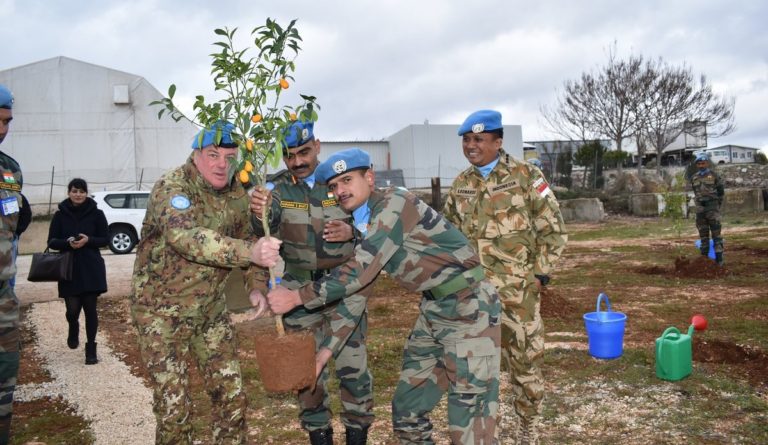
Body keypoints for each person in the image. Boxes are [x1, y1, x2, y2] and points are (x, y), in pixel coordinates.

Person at [266, 148, 502, 444]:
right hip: (434, 310)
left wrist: (298, 297)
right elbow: (356, 293)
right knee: (407, 409)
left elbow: (358, 271)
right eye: (333, 186)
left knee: (471, 421)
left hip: (469, 311)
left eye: (347, 181)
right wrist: (323, 356)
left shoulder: (395, 204)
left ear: (369, 177)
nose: (340, 191)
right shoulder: (367, 222)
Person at [130, 121, 282, 445]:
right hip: (160, 313)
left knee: (233, 401)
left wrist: (255, 286)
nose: (221, 165)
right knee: (175, 410)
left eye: (229, 157)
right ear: (197, 154)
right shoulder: (172, 187)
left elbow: (249, 241)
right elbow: (185, 237)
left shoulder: (237, 196)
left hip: (209, 311)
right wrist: (249, 251)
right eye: (213, 155)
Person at [442, 110, 568, 445]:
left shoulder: (527, 175)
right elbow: (448, 239)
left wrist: (540, 275)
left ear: (498, 142)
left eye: (479, 139)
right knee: (478, 366)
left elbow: (554, 230)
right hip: (473, 296)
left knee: (524, 361)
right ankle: (487, 428)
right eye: (467, 140)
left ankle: (527, 422)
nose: (471, 146)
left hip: (517, 294)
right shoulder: (461, 186)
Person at [249, 121, 374, 444]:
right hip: (298, 294)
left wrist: (353, 233)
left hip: (344, 289)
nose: (297, 162)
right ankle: (319, 433)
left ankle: (357, 434)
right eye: (289, 156)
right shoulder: (276, 189)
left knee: (354, 373)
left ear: (317, 146)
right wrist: (256, 212)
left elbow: (374, 233)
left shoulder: (338, 182)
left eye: (304, 152)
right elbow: (261, 232)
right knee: (306, 376)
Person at [47, 178, 109, 364]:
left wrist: (88, 240)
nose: (78, 194)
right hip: (69, 269)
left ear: (86, 193)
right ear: (69, 193)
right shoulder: (59, 215)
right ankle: (73, 325)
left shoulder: (97, 214)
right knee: (72, 309)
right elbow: (51, 241)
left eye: (82, 191)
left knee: (90, 309)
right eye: (75, 191)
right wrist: (67, 243)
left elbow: (105, 239)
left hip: (91, 268)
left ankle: (91, 349)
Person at [0, 83, 23, 445]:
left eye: (7, 121)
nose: (2, 129)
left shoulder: (10, 169)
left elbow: (14, 225)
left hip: (3, 297)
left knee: (5, 381)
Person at [689, 152, 724, 265]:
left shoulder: (714, 175)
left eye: (703, 163)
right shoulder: (694, 177)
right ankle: (704, 261)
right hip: (700, 210)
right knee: (703, 235)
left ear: (707, 163)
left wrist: (716, 205)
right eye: (699, 163)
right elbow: (696, 192)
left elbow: (721, 192)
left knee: (716, 235)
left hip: (712, 208)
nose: (701, 165)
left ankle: (719, 260)